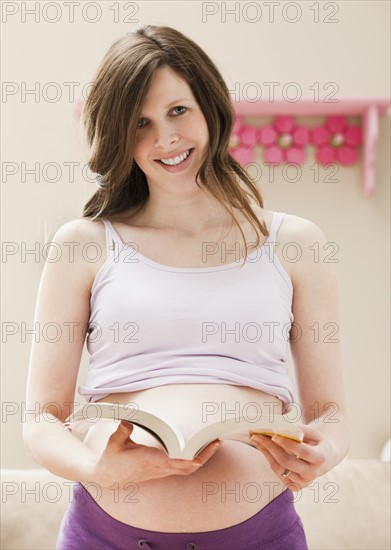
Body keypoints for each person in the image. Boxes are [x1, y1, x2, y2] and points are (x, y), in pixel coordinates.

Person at [23, 25, 349, 550]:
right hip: (106, 535)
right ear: (117, 135)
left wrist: (324, 452)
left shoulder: (297, 244)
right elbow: (40, 420)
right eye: (140, 123)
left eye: (178, 111)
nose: (166, 139)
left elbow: (330, 414)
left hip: (260, 534)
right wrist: (96, 467)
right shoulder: (83, 245)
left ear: (210, 107)